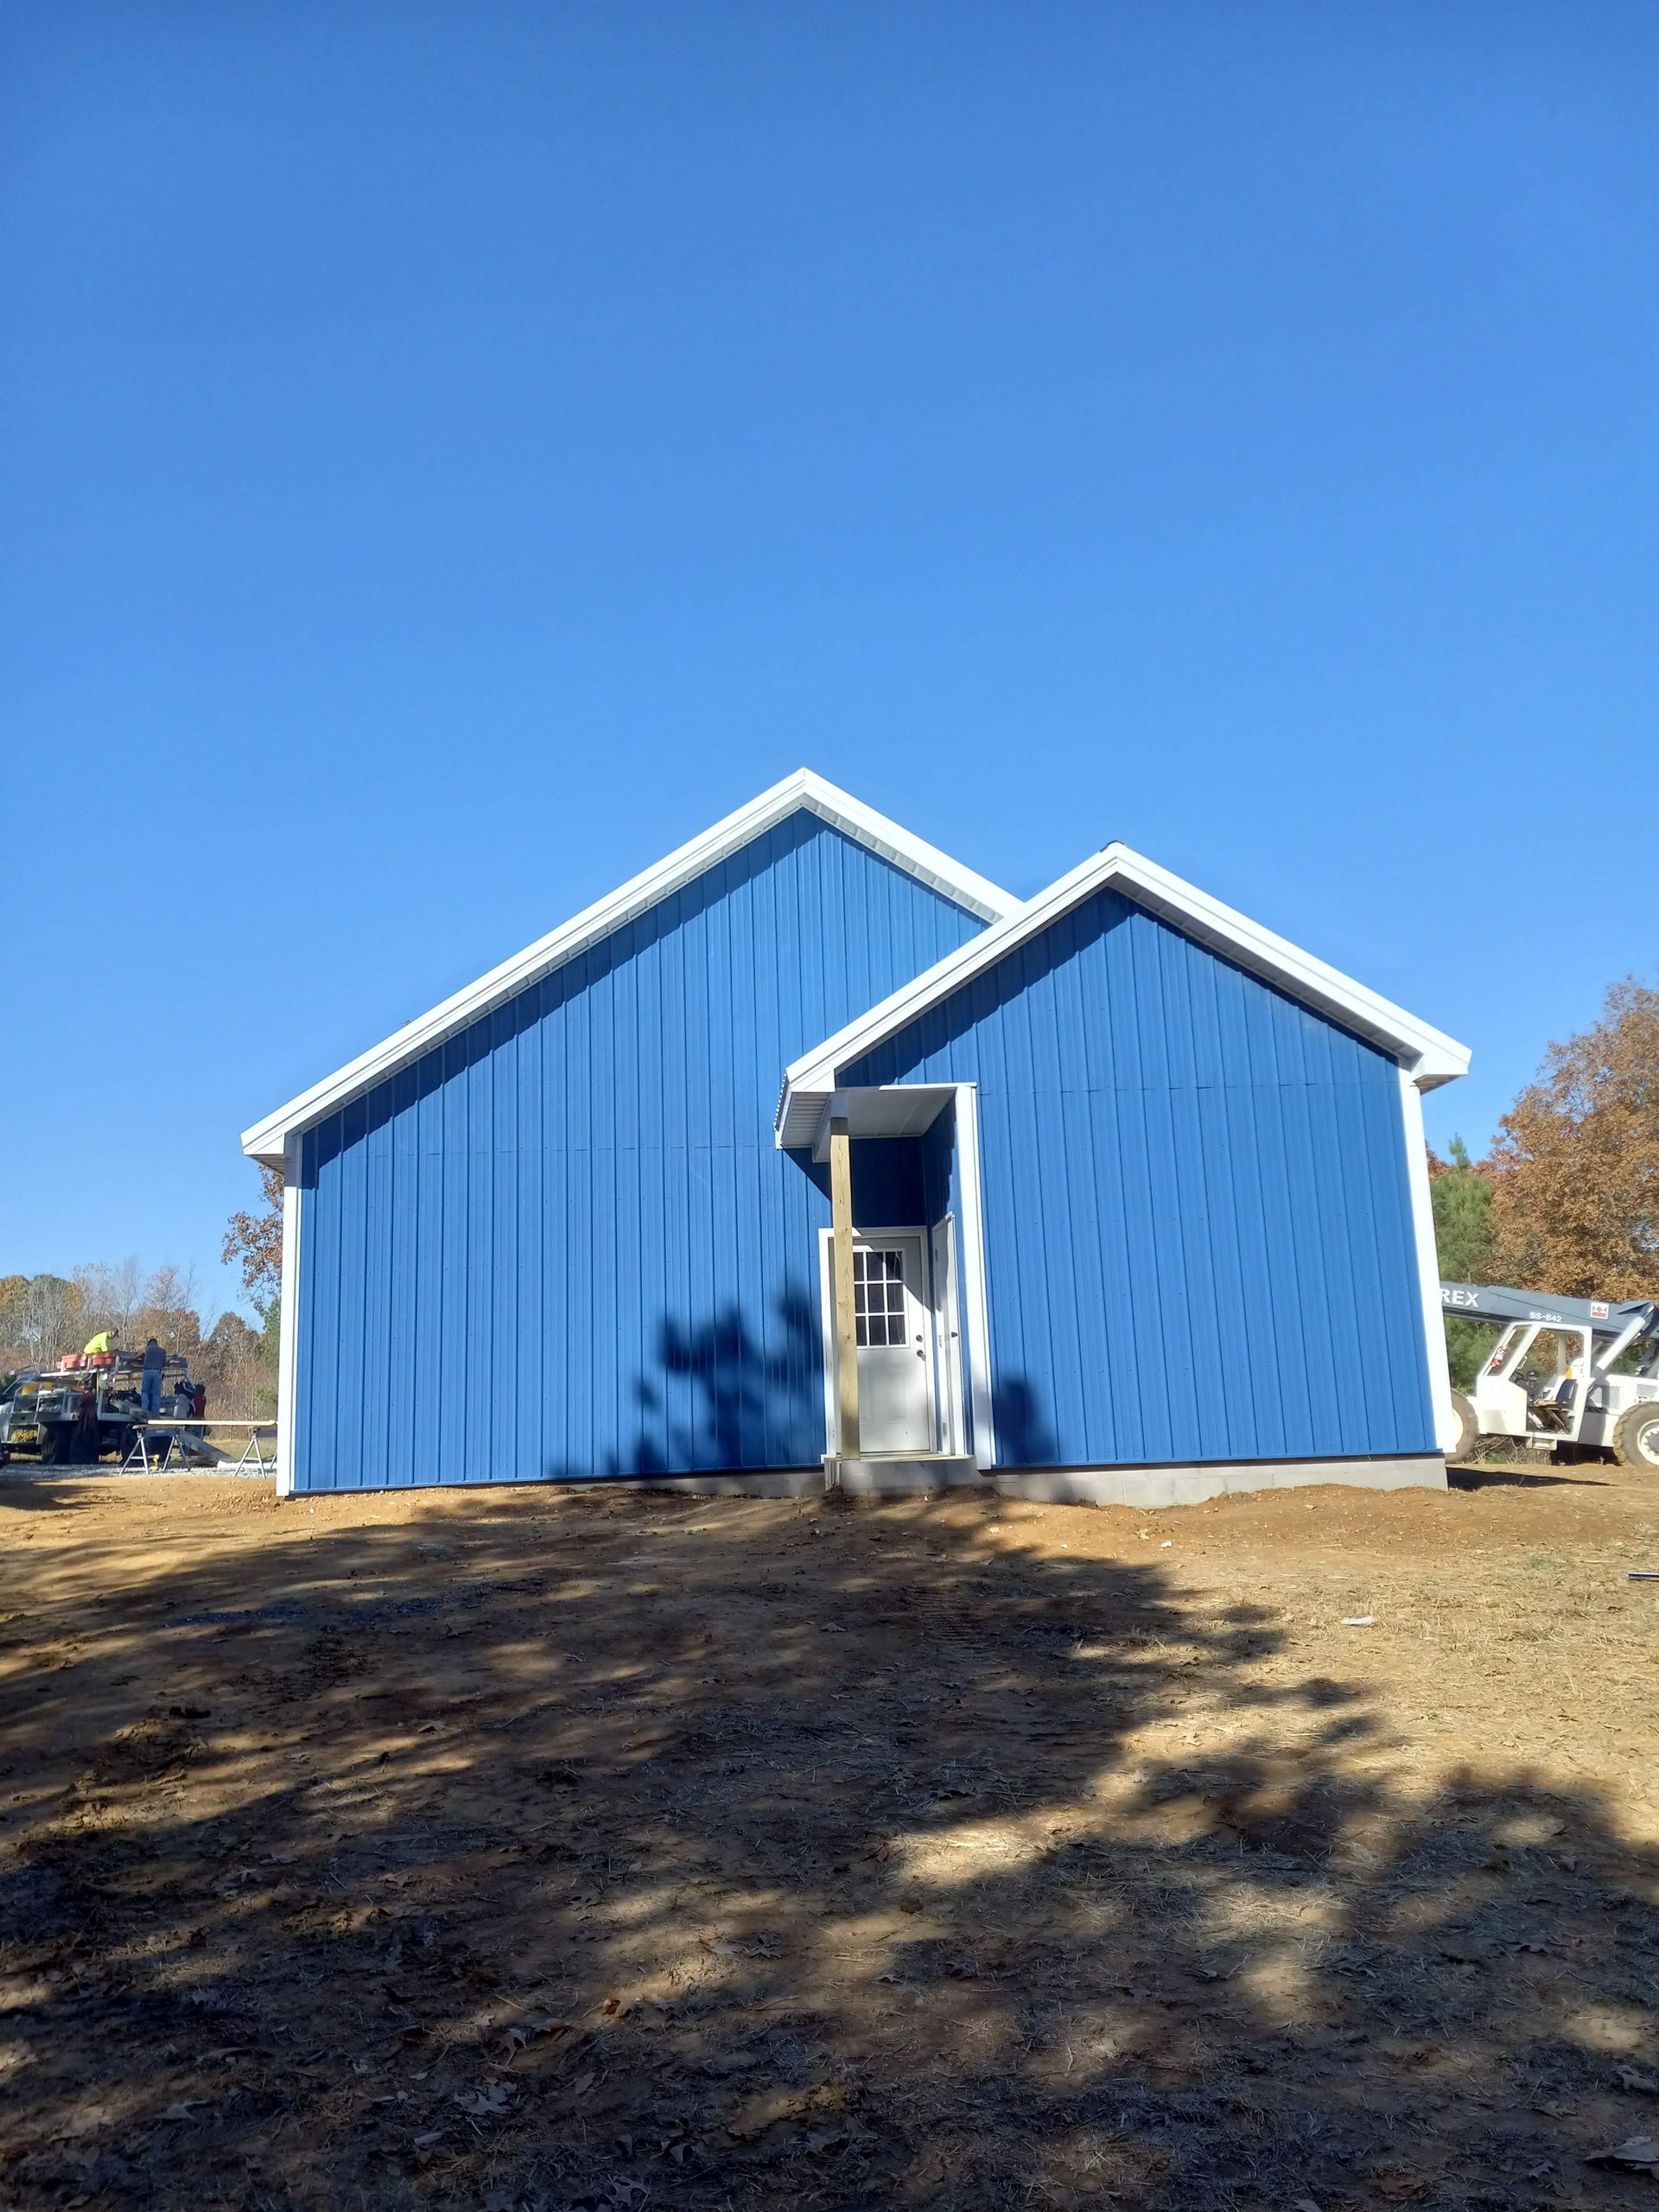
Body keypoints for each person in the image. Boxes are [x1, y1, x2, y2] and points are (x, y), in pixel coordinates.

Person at [140, 1337, 166, 1417]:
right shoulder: (163, 1351)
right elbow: (164, 1364)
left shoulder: (148, 1349)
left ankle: (144, 1411)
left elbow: (140, 1354)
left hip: (148, 1371)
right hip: (158, 1372)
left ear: (149, 1344)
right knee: (156, 1394)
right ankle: (155, 1414)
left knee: (145, 1392)